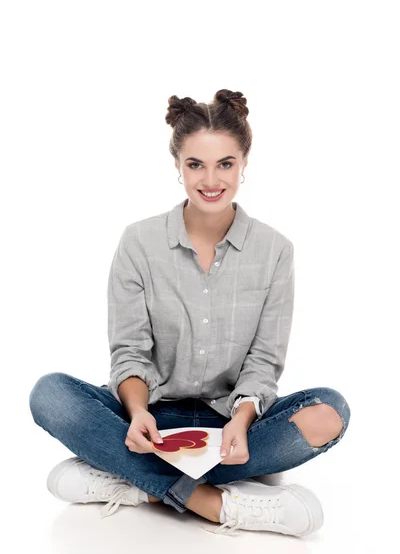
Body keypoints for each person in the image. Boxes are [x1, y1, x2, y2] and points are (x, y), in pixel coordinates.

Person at [29, 89, 351, 537]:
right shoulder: (139, 242)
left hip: (231, 425)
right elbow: (130, 351)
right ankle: (215, 500)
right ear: (178, 167)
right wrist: (137, 410)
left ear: (244, 163)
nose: (210, 179)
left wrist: (241, 422)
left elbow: (263, 361)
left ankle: (131, 479)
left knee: (330, 412)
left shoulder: (274, 250)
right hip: (150, 423)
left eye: (225, 164)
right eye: (195, 164)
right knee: (50, 394)